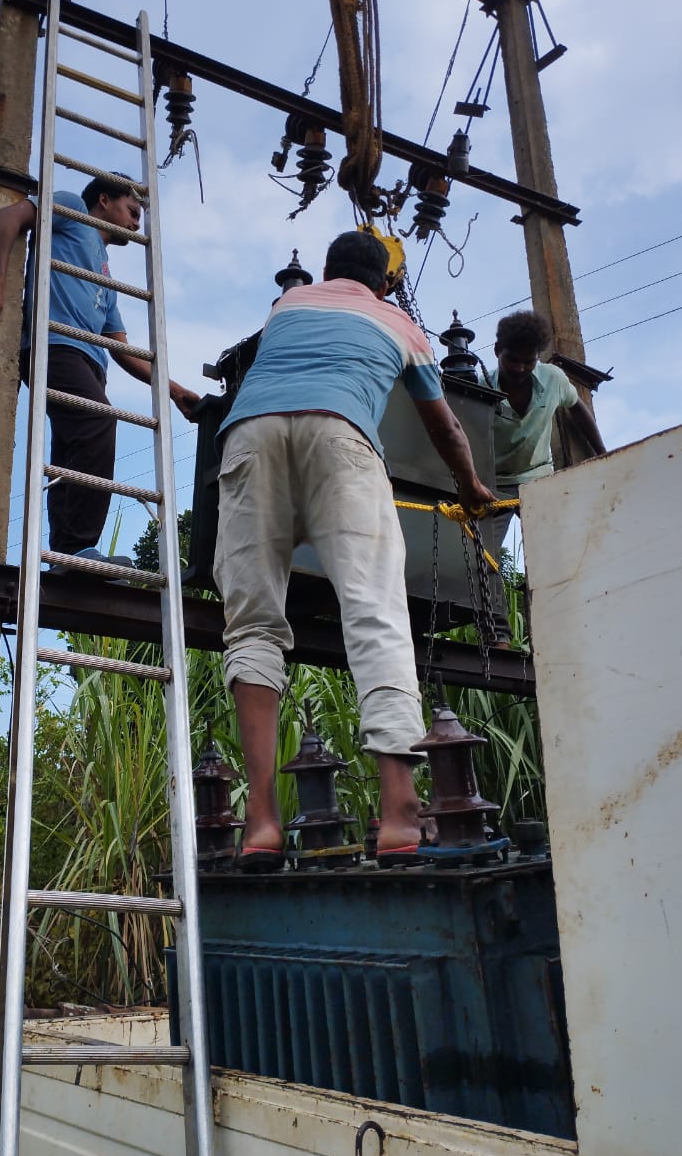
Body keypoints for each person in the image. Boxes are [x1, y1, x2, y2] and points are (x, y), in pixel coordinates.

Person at [212, 231, 496, 870]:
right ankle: (399, 813)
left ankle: (260, 822)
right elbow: (445, 425)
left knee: (252, 625)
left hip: (249, 438)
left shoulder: (288, 306)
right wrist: (472, 488)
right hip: (342, 440)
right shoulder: (401, 323)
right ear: (388, 283)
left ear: (324, 270)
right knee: (375, 614)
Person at [0, 173, 199, 563]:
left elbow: (122, 350)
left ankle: (67, 555)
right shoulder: (73, 208)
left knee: (71, 456)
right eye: (132, 211)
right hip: (56, 347)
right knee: (99, 422)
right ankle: (77, 548)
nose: (136, 223)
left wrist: (173, 389)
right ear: (104, 200)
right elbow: (8, 218)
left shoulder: (104, 276)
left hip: (91, 365)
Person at [485, 309, 606, 641]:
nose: (522, 369)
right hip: (494, 484)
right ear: (498, 351)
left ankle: (550, 633)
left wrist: (602, 454)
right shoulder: (480, 387)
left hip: (537, 477)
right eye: (514, 360)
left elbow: (577, 409)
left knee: (547, 554)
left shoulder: (552, 378)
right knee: (484, 557)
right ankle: (499, 634)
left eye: (529, 361)